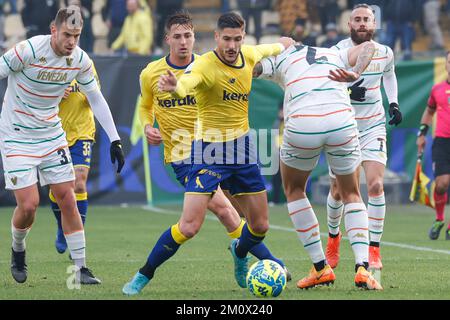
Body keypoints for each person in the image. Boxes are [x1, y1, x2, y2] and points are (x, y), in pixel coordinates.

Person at [123, 11, 295, 294]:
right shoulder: (158, 73)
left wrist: (284, 44)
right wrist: (149, 123)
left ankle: (250, 256)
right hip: (186, 153)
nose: (183, 42)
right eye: (177, 36)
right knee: (200, 222)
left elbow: (269, 48)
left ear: (195, 38)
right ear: (167, 39)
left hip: (236, 149)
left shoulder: (220, 60)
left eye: (188, 36)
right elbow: (148, 105)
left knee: (250, 221)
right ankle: (144, 274)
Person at [0, 6, 125, 285]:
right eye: (67, 34)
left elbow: (96, 98)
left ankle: (79, 270)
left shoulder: (79, 59)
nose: (71, 42)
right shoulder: (28, 50)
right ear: (53, 30)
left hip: (51, 132)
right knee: (29, 205)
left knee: (68, 196)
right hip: (17, 134)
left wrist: (115, 138)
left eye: (77, 36)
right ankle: (18, 248)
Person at [254, 36, 383, 290]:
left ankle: (320, 267)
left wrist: (265, 49)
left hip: (304, 123)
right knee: (352, 193)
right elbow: (370, 47)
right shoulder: (335, 53)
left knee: (294, 191)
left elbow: (252, 68)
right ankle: (362, 269)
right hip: (342, 122)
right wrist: (355, 72)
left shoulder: (281, 56)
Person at [325, 3, 401, 271]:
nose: (361, 24)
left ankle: (374, 249)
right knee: (338, 190)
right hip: (343, 127)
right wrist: (344, 91)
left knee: (376, 186)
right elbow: (327, 81)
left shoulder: (385, 52)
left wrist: (393, 103)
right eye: (356, 19)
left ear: (373, 24)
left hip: (373, 127)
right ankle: (333, 238)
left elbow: (389, 76)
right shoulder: (337, 52)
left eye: (366, 20)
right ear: (349, 25)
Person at [50, 63, 100, 256]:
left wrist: (88, 91)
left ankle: (77, 236)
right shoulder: (49, 66)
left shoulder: (85, 64)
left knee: (79, 183)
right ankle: (62, 228)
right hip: (54, 132)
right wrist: (55, 93)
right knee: (59, 187)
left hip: (82, 131)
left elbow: (95, 96)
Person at [417, 51, 450, 241]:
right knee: (442, 184)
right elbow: (429, 112)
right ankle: (439, 219)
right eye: (449, 62)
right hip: (442, 142)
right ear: (445, 65)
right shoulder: (437, 89)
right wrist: (422, 134)